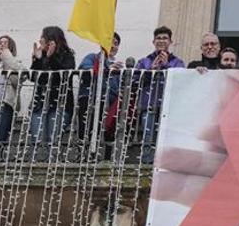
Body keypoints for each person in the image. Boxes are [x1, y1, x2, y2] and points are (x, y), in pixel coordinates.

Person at [135, 26, 185, 160]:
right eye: (158, 38)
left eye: (165, 38)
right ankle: (146, 165)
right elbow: (135, 81)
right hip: (148, 106)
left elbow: (180, 81)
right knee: (148, 139)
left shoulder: (177, 62)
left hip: (168, 108)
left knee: (166, 141)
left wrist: (167, 65)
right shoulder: (143, 61)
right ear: (153, 41)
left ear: (170, 42)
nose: (161, 40)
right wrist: (151, 70)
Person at [30, 26, 76, 143]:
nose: (40, 40)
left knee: (53, 139)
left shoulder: (67, 56)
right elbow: (33, 78)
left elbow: (64, 75)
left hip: (60, 105)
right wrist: (38, 59)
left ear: (51, 40)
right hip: (40, 104)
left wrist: (51, 58)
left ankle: (53, 160)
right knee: (37, 139)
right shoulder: (41, 55)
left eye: (43, 37)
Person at [76, 33, 123, 139]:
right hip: (90, 101)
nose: (113, 46)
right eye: (110, 42)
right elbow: (85, 70)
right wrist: (107, 69)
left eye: (116, 43)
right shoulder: (92, 57)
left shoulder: (119, 67)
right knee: (86, 136)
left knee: (107, 138)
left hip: (109, 106)